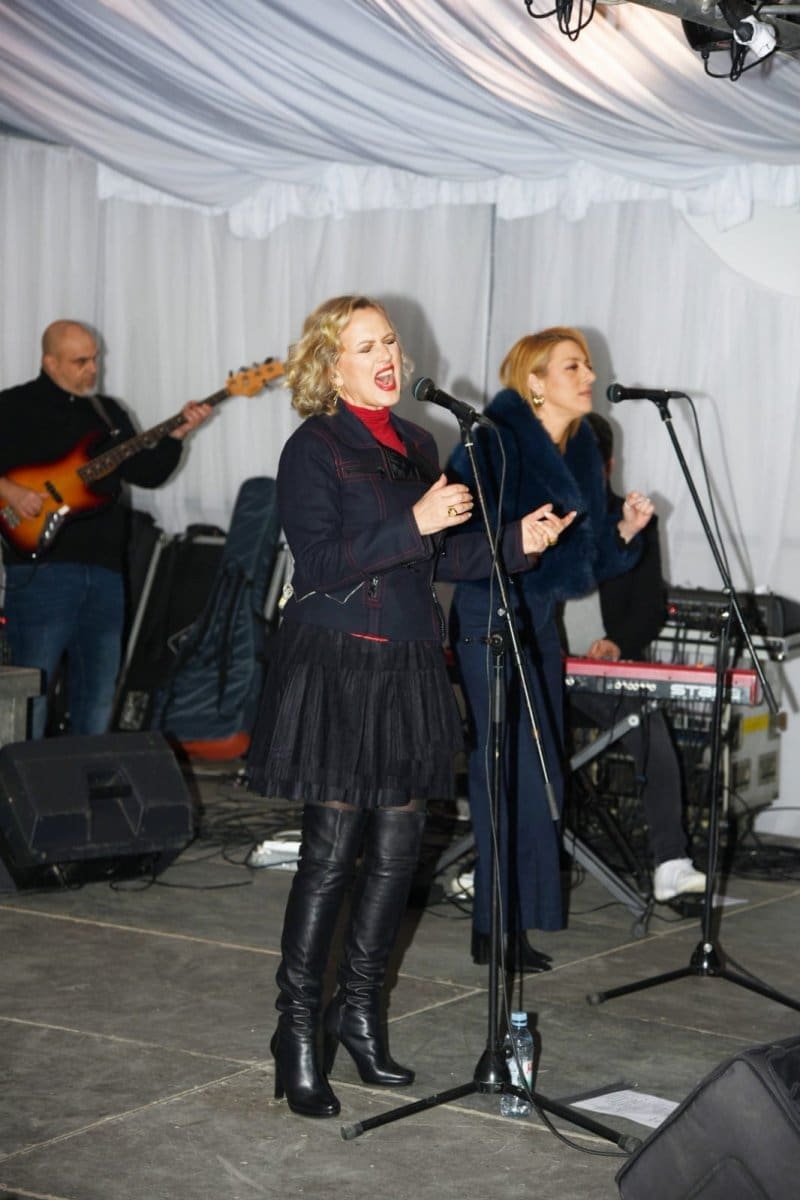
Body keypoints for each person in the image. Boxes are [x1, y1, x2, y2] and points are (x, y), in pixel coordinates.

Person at [246, 295, 574, 1120]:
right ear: (331, 366)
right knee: (331, 855)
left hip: (408, 662)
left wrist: (516, 544)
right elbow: (319, 562)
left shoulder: (419, 444)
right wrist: (416, 520)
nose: (387, 357)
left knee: (398, 853)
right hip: (338, 661)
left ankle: (357, 1013)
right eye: (366, 347)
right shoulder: (315, 446)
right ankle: (296, 1031)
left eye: (389, 342)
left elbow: (443, 554)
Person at [448, 327, 653, 972]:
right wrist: (517, 537)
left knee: (540, 773)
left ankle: (519, 918)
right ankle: (493, 925)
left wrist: (625, 532)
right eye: (573, 367)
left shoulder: (583, 446)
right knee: (501, 770)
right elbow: (453, 534)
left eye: (587, 365)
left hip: (537, 619)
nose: (589, 376)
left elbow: (584, 565)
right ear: (534, 382)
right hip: (487, 611)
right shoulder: (492, 438)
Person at [0, 319, 211, 738]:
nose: (92, 369)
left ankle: (83, 776)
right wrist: (9, 491)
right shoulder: (13, 406)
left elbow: (148, 473)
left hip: (106, 572)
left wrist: (176, 437)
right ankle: (20, 780)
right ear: (50, 362)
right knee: (32, 694)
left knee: (98, 693)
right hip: (43, 571)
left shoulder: (107, 412)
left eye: (95, 359)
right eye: (80, 361)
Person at [561, 412, 706, 903]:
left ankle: (671, 861)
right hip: (542, 667)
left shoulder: (636, 519)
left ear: (608, 465)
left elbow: (650, 609)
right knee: (510, 734)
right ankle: (493, 862)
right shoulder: (535, 515)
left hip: (607, 673)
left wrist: (616, 644)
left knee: (648, 723)